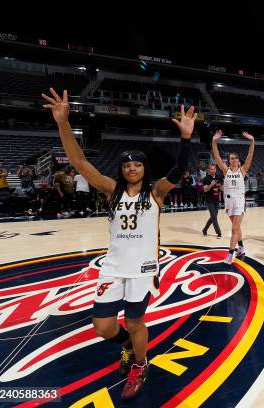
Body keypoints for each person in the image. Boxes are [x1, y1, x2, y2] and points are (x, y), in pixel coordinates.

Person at [42, 88, 196, 399]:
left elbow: (178, 171)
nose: (132, 168)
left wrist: (186, 140)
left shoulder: (156, 192)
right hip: (113, 268)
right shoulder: (111, 190)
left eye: (137, 164)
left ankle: (140, 364)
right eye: (127, 165)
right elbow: (79, 160)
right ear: (122, 170)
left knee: (136, 320)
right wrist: (63, 123)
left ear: (144, 168)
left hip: (142, 269)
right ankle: (126, 345)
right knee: (102, 326)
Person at [212, 130, 255, 263]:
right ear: (229, 161)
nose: (234, 159)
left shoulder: (243, 170)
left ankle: (230, 255)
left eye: (236, 158)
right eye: (232, 158)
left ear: (238, 160)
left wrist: (252, 141)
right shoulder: (226, 170)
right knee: (236, 227)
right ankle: (241, 247)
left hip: (239, 200)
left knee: (234, 228)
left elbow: (250, 155)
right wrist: (214, 141)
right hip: (228, 201)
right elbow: (217, 156)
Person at [201, 163, 224, 238]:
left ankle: (204, 229)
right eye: (211, 169)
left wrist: (219, 186)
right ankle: (219, 233)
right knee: (214, 217)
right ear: (208, 170)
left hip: (217, 200)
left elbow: (223, 189)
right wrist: (211, 185)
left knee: (213, 217)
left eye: (214, 169)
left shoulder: (219, 177)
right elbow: (205, 190)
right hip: (209, 200)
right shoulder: (206, 179)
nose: (213, 170)